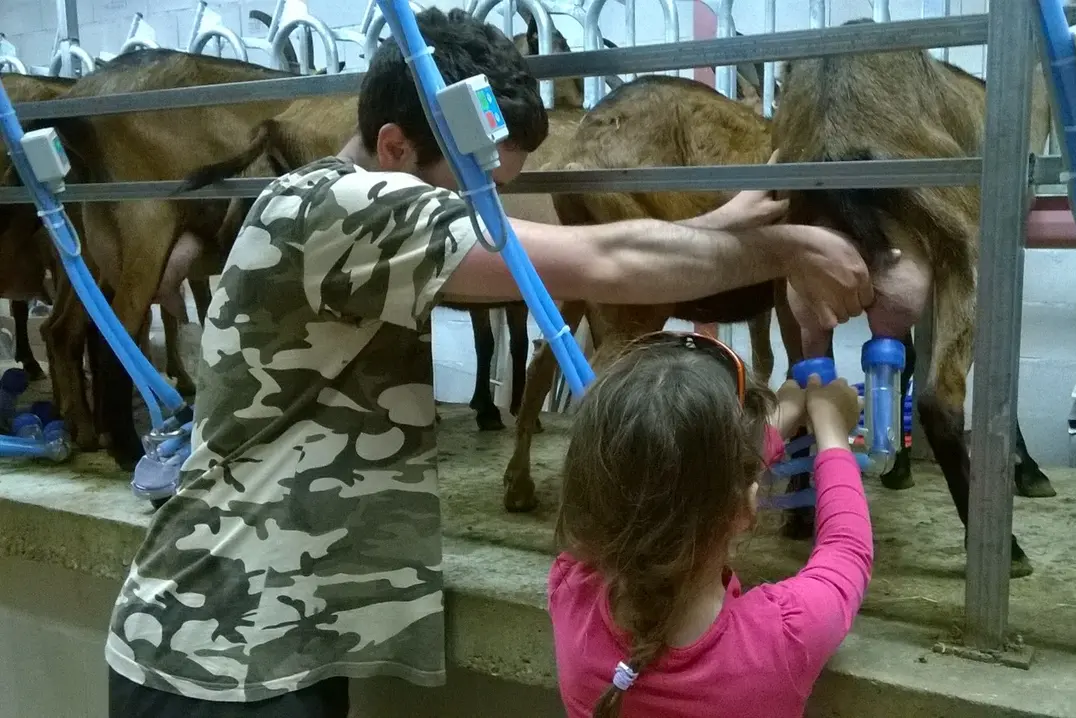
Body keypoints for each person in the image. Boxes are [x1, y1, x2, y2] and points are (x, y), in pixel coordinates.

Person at [104, 8, 874, 717]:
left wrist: (714, 227)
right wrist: (776, 247)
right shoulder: (341, 209)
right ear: (395, 147)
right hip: (214, 654)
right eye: (470, 191)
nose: (483, 216)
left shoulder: (346, 212)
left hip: (270, 642)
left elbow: (567, 259)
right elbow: (599, 260)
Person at [550, 331, 873, 718]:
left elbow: (665, 477)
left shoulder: (571, 593)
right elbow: (846, 550)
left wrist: (780, 420)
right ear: (744, 508)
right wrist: (832, 428)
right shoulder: (783, 638)